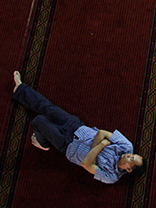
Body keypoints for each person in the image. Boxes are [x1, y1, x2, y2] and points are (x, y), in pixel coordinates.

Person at [11, 71, 145, 184]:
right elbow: (102, 133)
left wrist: (101, 145)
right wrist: (94, 151)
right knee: (48, 108)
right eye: (133, 155)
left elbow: (86, 164)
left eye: (131, 158)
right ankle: (21, 89)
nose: (129, 154)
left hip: (68, 146)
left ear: (128, 169)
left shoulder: (111, 176)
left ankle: (43, 143)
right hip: (78, 128)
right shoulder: (126, 146)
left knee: (39, 121)